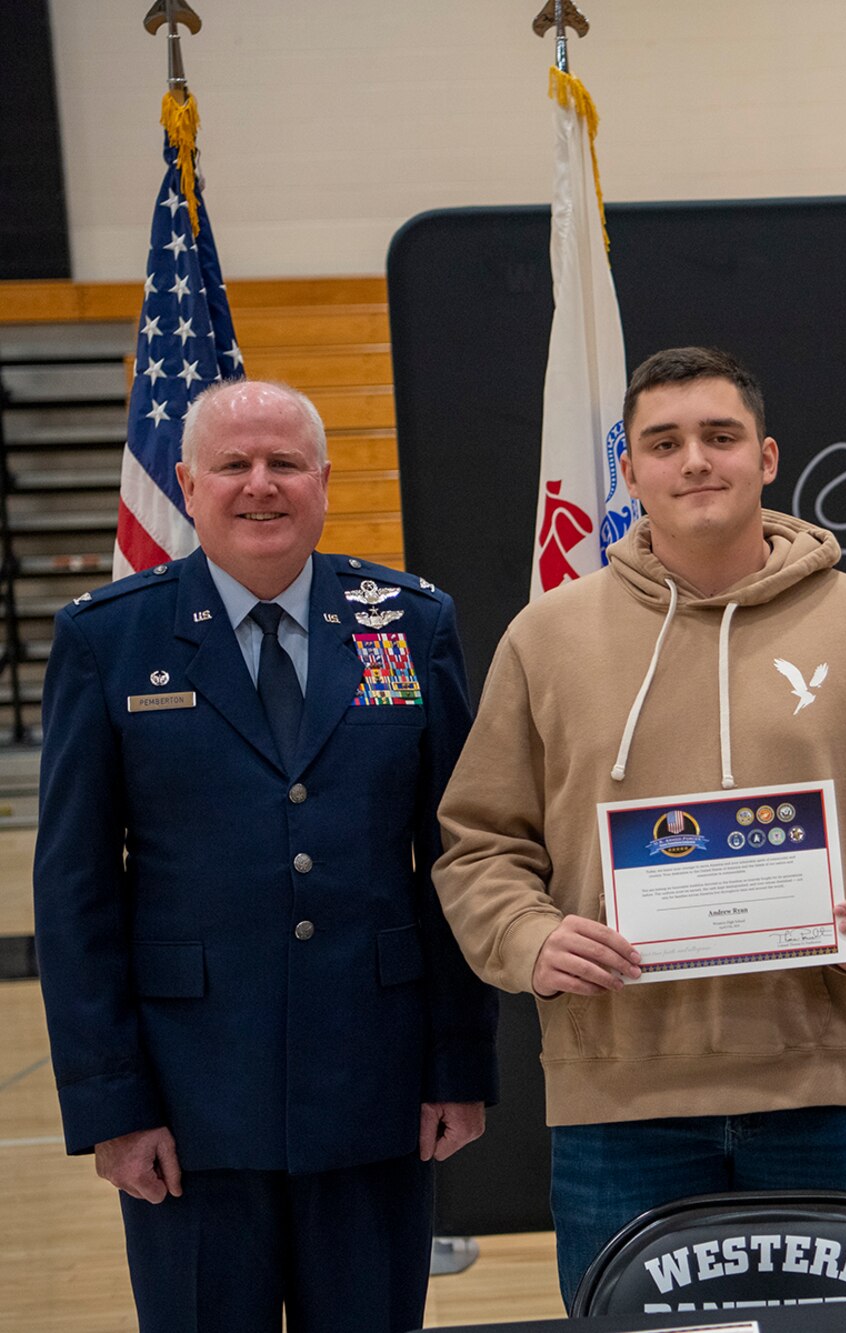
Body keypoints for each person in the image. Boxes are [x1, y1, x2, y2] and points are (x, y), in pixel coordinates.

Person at [432, 345, 846, 1306]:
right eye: (665, 442)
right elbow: (482, 843)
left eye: (721, 437)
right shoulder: (546, 636)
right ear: (630, 470)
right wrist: (531, 936)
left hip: (827, 1090)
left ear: (766, 458)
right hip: (620, 1100)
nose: (695, 461)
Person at [34, 379, 498, 1333]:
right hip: (191, 1102)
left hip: (376, 1089)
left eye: (285, 463)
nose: (261, 485)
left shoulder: (407, 625)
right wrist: (113, 1106)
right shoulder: (108, 639)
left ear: (323, 482)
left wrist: (459, 1061)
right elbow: (75, 891)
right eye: (235, 465)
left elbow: (458, 855)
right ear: (188, 484)